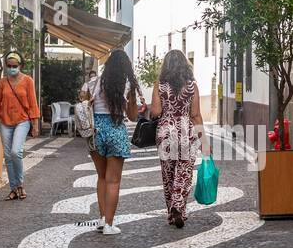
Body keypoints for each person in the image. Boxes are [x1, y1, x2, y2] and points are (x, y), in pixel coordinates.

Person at [81, 49, 141, 234]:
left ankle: (101, 219)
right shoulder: (128, 86)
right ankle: (109, 224)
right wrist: (134, 106)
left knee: (101, 177)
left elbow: (82, 100)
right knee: (113, 181)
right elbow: (132, 117)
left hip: (96, 131)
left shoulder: (93, 83)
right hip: (116, 129)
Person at [150, 50, 208, 228]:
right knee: (184, 173)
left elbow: (156, 112)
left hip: (166, 132)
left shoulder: (159, 85)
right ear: (185, 65)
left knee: (168, 176)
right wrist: (204, 141)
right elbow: (196, 115)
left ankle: (172, 211)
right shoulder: (192, 86)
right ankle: (178, 206)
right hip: (186, 132)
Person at [0, 51, 40, 200]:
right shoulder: (3, 82)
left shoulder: (28, 81)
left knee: (16, 152)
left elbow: (33, 104)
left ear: (20, 65)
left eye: (14, 66)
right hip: (5, 122)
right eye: (9, 66)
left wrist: (35, 124)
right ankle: (14, 189)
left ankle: (20, 184)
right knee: (8, 156)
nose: (11, 68)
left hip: (22, 121)